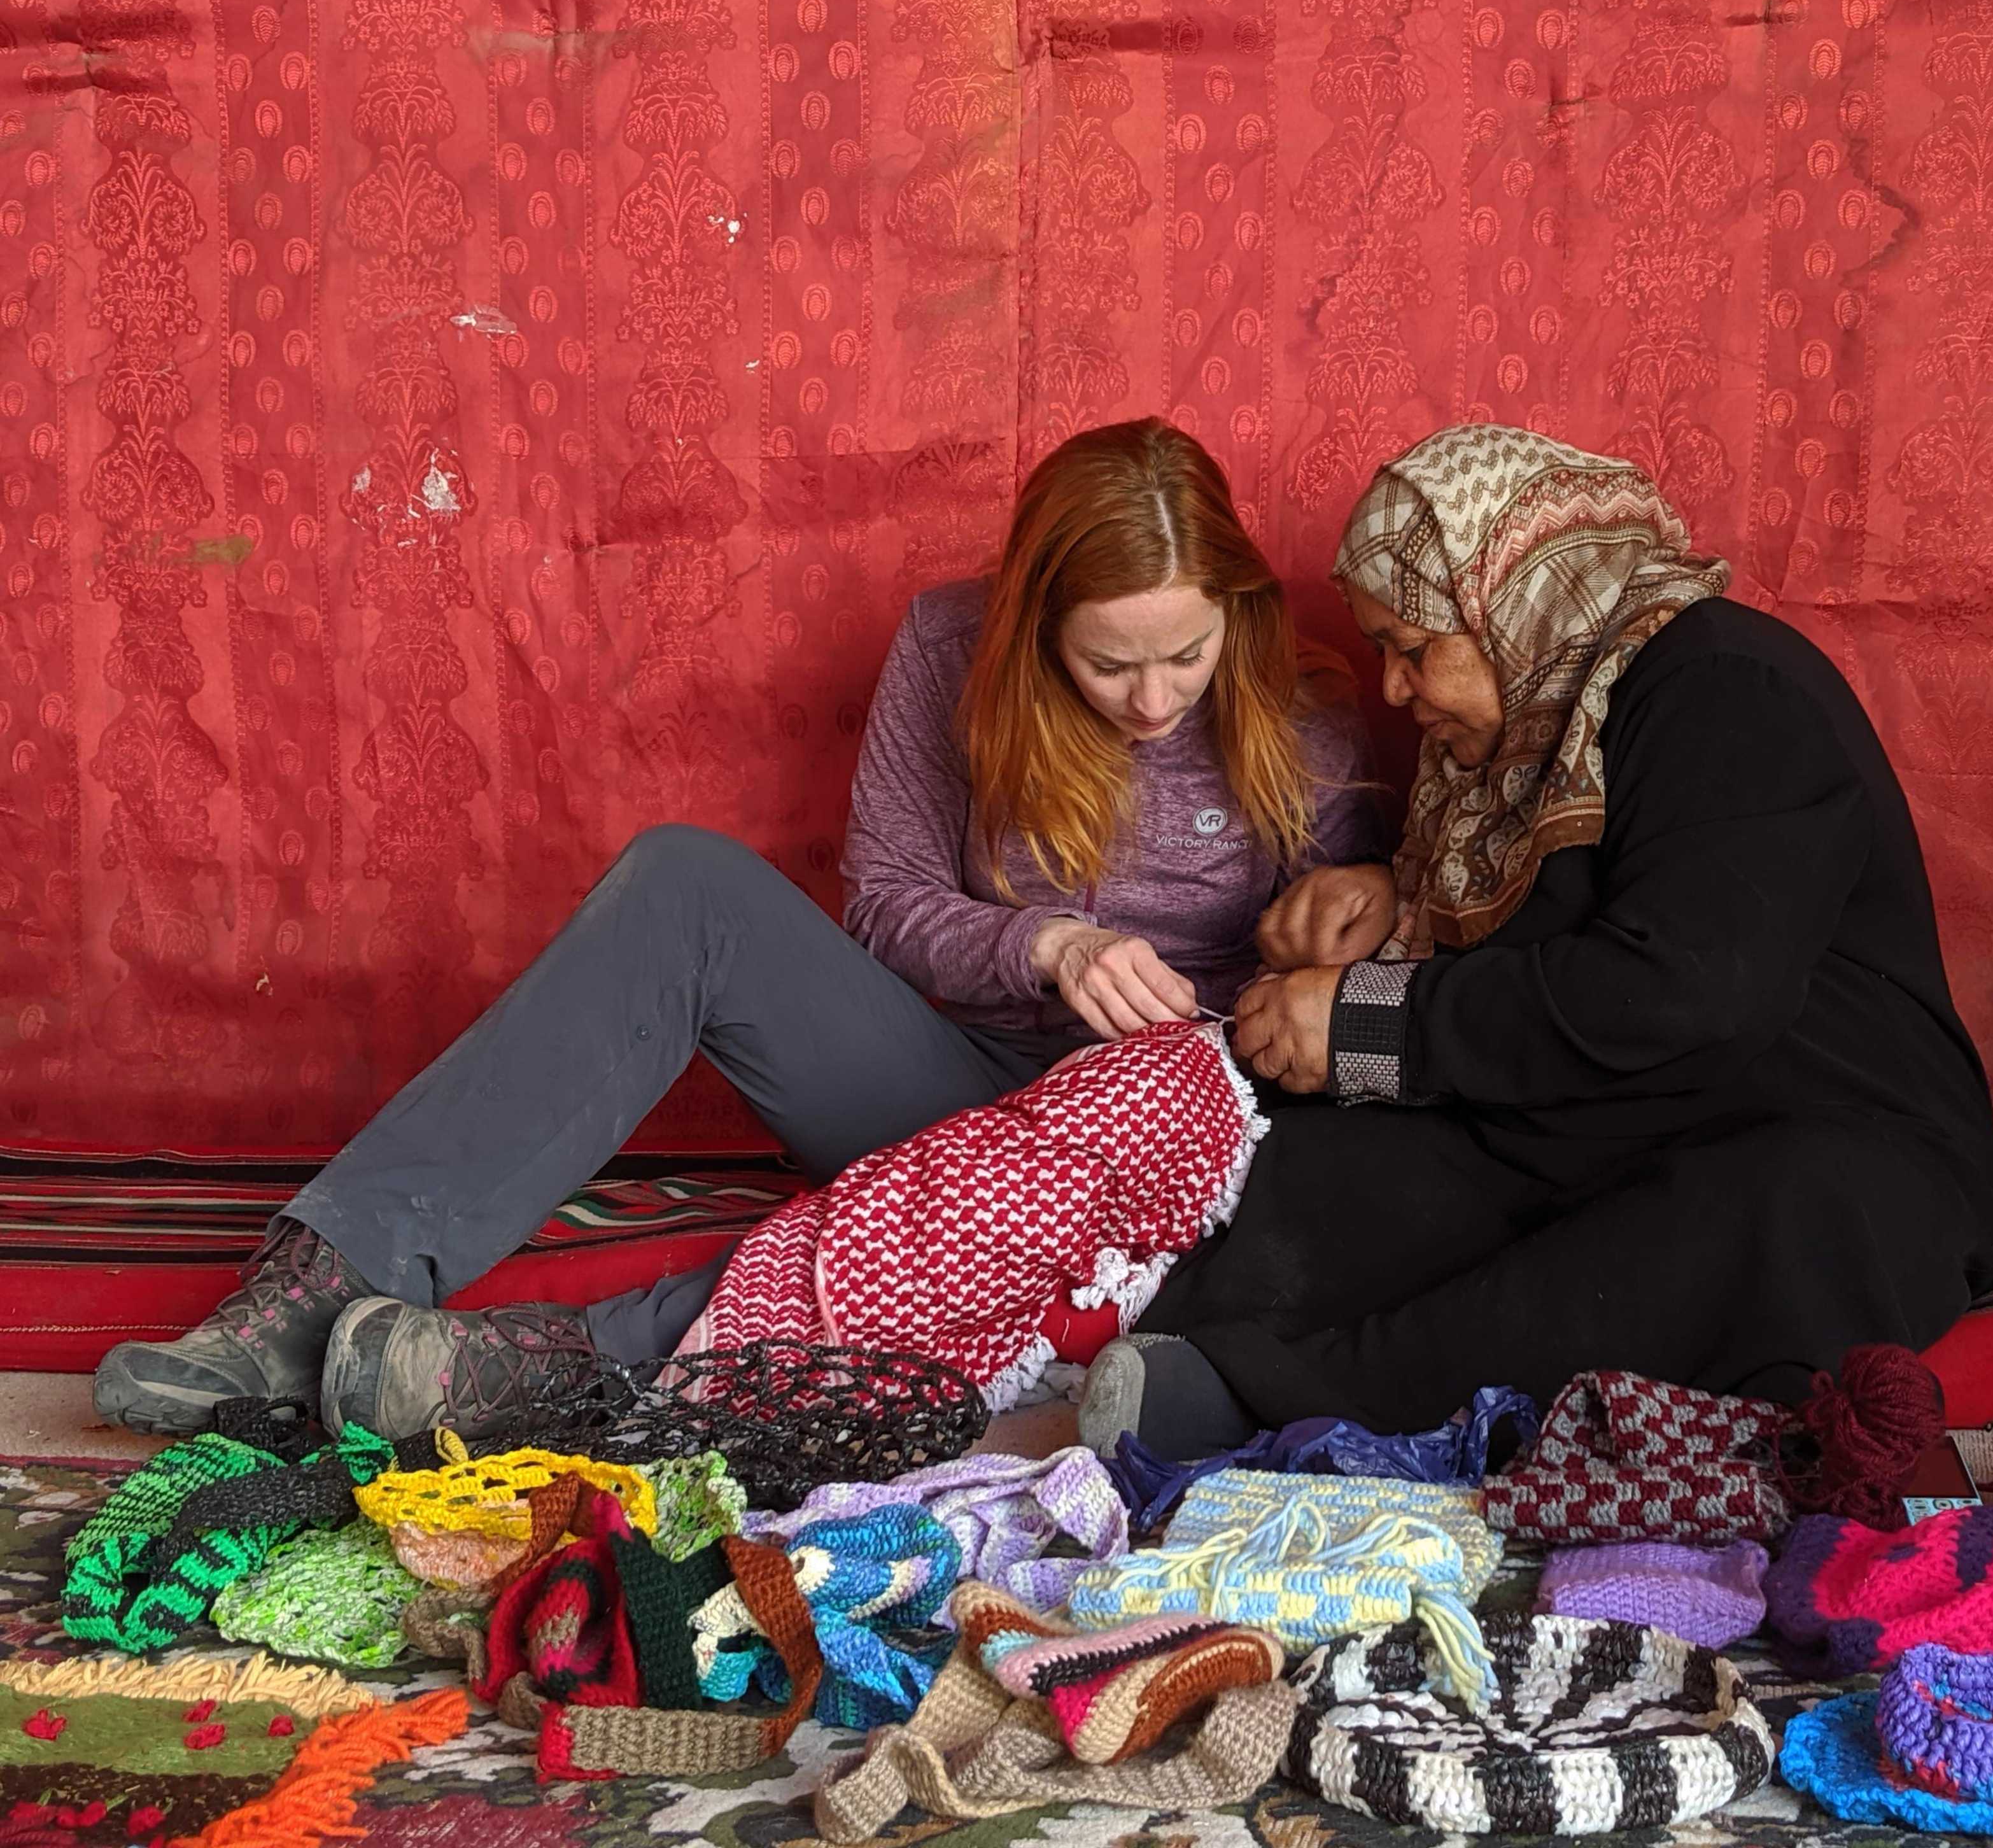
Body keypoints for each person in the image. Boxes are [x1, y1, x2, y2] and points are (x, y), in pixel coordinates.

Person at [93, 420, 1381, 1440]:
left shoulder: (1308, 714)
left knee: (1101, 1158)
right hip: (952, 1079)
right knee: (682, 882)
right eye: (1110, 665)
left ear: (1235, 611)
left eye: (1187, 657)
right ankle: (307, 1293)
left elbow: (1316, 1026)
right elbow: (888, 910)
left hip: (1141, 1149)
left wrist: (1317, 945)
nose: (1154, 699)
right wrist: (1041, 945)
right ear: (1036, 627)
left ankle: (513, 1375)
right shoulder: (952, 646)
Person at [1077, 425, 1993, 1457]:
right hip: (1606, 1119)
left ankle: (1277, 1410)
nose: (1392, 687)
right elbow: (1537, 967)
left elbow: (1681, 991)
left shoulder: (1726, 688)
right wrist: (1389, 910)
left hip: (1818, 1136)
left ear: (1515, 604)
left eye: (1416, 647)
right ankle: (1174, 1343)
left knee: (1740, 1227)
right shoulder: (1516, 742)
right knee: (1320, 1160)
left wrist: (1362, 1019)